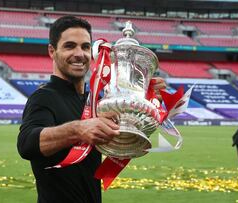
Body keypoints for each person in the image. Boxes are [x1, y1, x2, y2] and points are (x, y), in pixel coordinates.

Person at [17, 15, 166, 203]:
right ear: (52, 51)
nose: (79, 54)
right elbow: (26, 144)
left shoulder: (94, 102)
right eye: (70, 46)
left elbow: (121, 138)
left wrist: (142, 99)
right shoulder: (43, 97)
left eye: (85, 47)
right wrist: (79, 130)